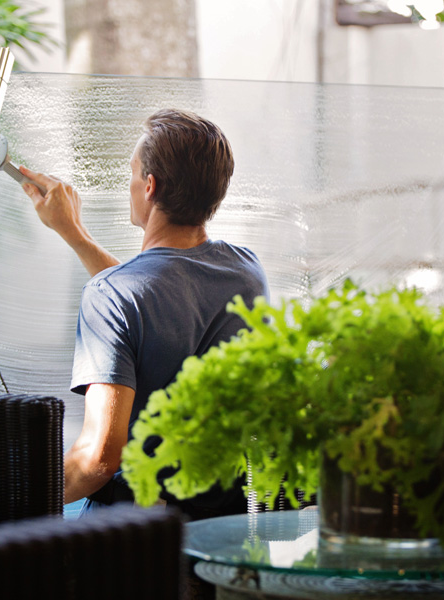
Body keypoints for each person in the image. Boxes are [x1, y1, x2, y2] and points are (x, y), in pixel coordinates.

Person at [19, 109, 269, 519]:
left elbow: (98, 460)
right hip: (223, 525)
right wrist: (75, 234)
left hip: (136, 537)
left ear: (150, 187)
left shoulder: (113, 295)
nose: (131, 183)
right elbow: (158, 295)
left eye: (133, 173)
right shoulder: (247, 273)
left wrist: (7, 494)